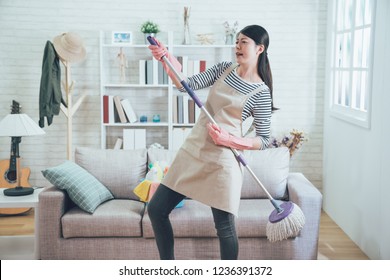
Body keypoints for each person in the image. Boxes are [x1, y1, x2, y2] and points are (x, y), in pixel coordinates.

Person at [147, 25, 274, 260]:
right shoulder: (224, 69)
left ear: (260, 48)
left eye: (243, 42)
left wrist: (230, 139)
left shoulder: (261, 92)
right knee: (156, 209)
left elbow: (264, 140)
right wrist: (166, 58)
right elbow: (184, 83)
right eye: (236, 41)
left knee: (224, 229)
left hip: (223, 160)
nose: (237, 46)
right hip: (194, 149)